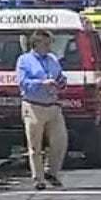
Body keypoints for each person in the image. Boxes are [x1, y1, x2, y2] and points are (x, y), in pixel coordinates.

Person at [15, 29, 68, 191]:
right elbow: (23, 83)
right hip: (33, 105)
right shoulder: (24, 60)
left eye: (50, 43)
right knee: (35, 145)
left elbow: (60, 76)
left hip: (53, 105)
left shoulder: (52, 59)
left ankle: (51, 172)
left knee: (60, 141)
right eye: (46, 44)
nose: (49, 47)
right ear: (36, 43)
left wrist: (61, 82)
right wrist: (41, 83)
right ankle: (38, 178)